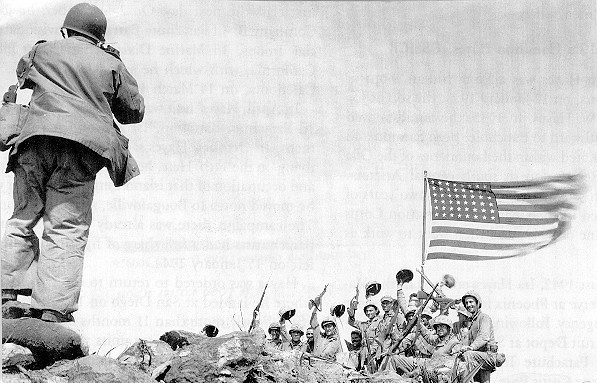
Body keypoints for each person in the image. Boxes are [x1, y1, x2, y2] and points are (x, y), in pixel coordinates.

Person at [1, 3, 144, 323]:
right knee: (66, 226)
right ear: (99, 37)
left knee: (23, 216)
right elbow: (133, 112)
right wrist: (113, 61)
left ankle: (7, 291)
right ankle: (52, 307)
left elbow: (21, 74)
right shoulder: (111, 64)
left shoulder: (42, 51)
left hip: (34, 143)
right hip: (80, 150)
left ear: (66, 30)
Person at [452, 291, 505, 383]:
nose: (468, 305)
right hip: (478, 356)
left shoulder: (484, 318)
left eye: (471, 302)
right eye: (466, 303)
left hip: (488, 356)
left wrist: (471, 347)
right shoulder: (472, 323)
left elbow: (484, 337)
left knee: (468, 355)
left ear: (477, 303)